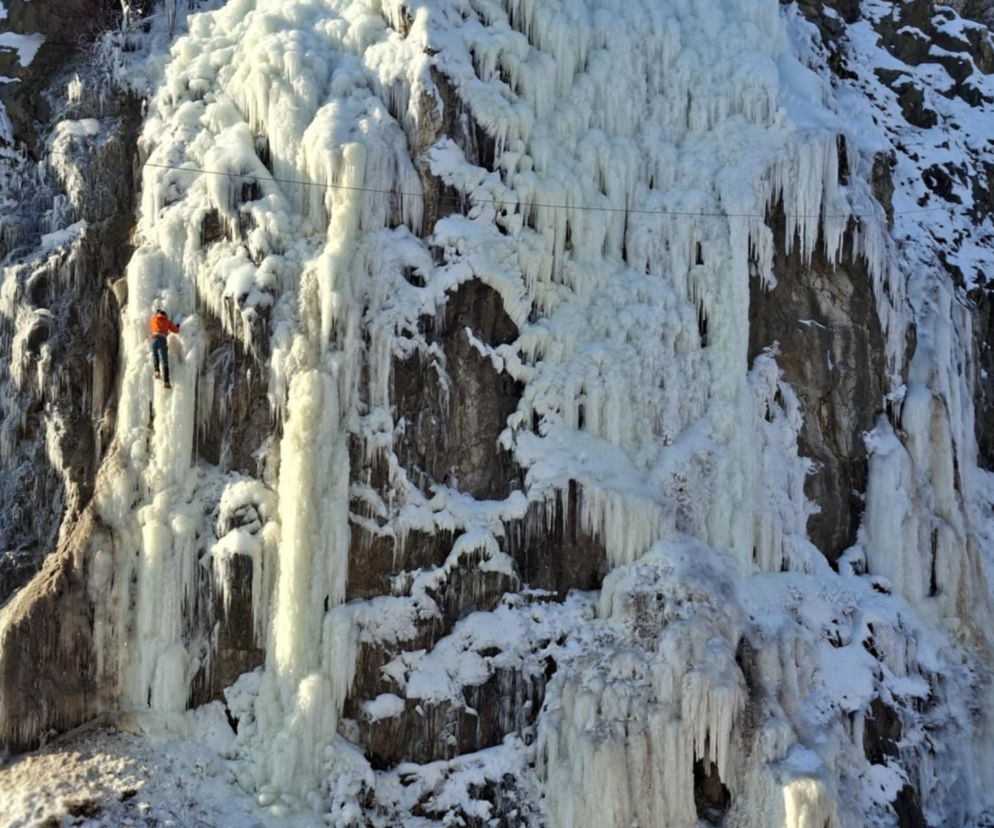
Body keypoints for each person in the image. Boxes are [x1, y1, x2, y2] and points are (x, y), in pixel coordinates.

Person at [148, 309, 180, 388]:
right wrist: (177, 327)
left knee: (155, 355)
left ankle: (157, 371)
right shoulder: (167, 321)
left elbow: (150, 325)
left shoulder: (153, 319)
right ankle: (166, 381)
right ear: (165, 315)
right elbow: (175, 330)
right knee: (164, 361)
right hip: (162, 340)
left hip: (154, 340)